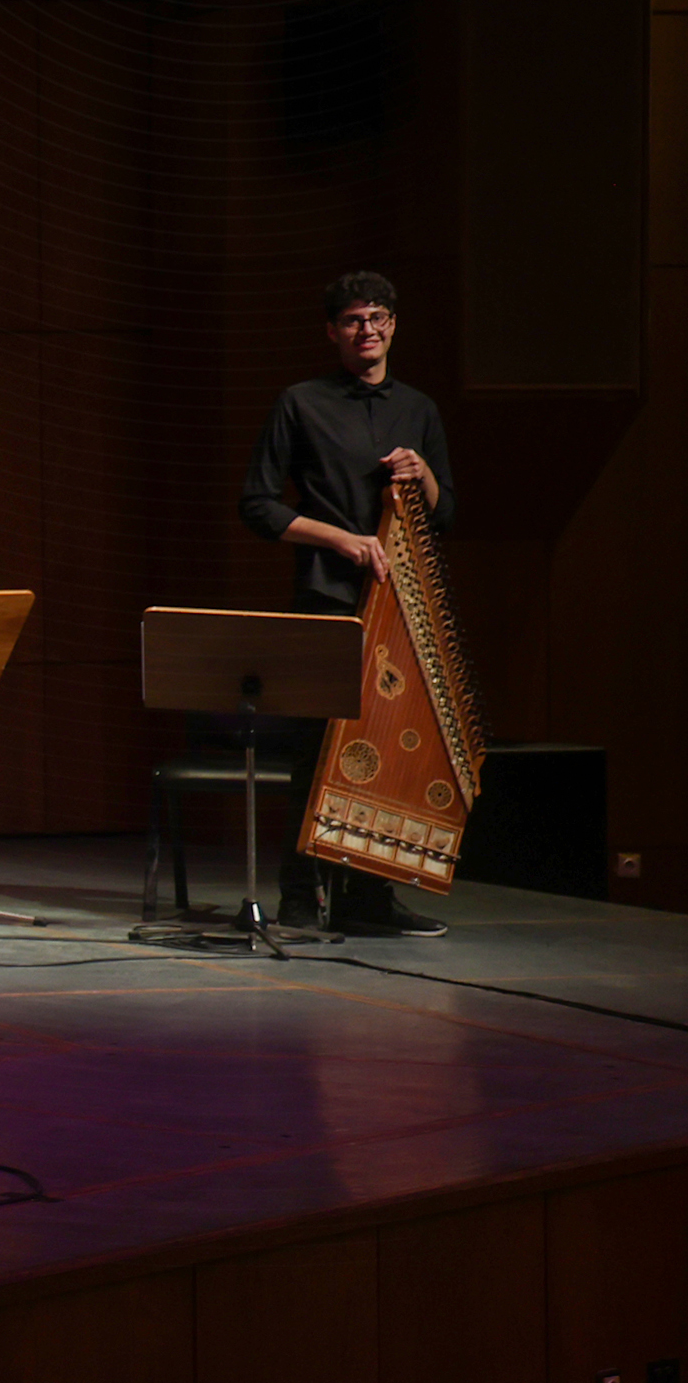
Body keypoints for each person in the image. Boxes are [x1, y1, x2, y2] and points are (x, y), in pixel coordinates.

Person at [240, 269, 457, 939]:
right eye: (354, 320)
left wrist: (423, 474)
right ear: (332, 331)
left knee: (383, 750)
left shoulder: (417, 408)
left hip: (400, 601)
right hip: (328, 596)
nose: (368, 329)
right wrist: (340, 539)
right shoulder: (300, 403)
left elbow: (446, 513)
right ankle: (298, 897)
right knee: (319, 748)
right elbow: (257, 504)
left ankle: (368, 899)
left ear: (393, 325)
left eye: (378, 317)